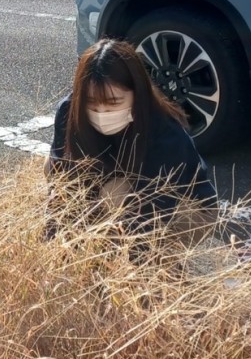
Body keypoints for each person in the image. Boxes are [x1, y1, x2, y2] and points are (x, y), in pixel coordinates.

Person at [46, 39, 217, 246]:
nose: (102, 112)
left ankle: (168, 263)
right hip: (110, 183)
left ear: (137, 94)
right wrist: (56, 246)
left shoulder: (165, 134)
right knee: (49, 167)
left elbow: (151, 217)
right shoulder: (69, 110)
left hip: (185, 206)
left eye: (114, 102)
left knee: (116, 196)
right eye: (91, 102)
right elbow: (62, 184)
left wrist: (113, 262)